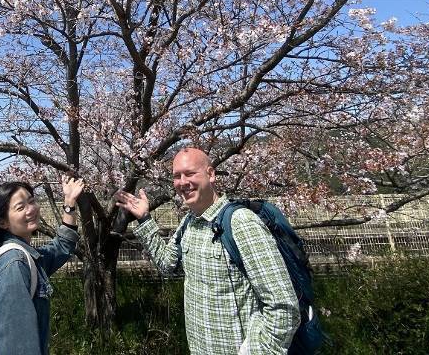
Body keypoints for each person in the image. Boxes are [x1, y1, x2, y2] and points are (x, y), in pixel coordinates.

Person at [115, 147, 300, 355]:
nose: (182, 182)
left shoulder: (241, 223)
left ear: (211, 174)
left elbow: (283, 307)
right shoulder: (189, 222)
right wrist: (144, 219)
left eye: (190, 173)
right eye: (177, 176)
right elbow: (167, 265)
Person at [0, 174, 84, 355]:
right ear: (3, 222)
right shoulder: (14, 266)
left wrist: (69, 202)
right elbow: (18, 347)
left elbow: (62, 246)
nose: (31, 209)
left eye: (31, 201)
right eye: (20, 207)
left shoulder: (26, 257)